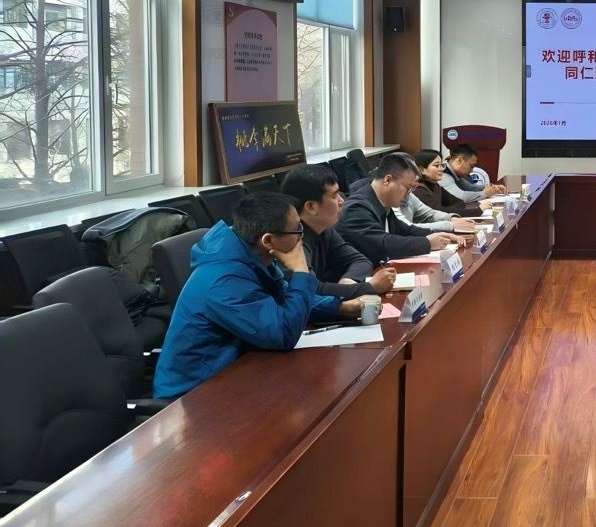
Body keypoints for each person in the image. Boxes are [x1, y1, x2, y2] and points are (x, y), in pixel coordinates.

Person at [153, 193, 356, 400]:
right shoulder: (224, 282)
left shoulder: (248, 255)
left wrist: (339, 307)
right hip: (192, 396)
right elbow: (283, 333)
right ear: (268, 240)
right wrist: (302, 272)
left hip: (238, 372)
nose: (300, 237)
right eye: (297, 230)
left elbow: (283, 297)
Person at [280, 165, 398, 298]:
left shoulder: (323, 230)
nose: (341, 201)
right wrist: (369, 287)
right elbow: (311, 289)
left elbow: (360, 260)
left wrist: (348, 282)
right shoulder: (291, 240)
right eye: (334, 195)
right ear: (311, 206)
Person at [337, 152, 466, 263]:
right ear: (387, 180)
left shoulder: (381, 203)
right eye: (407, 188)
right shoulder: (357, 207)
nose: (408, 195)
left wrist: (438, 235)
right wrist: (428, 243)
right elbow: (384, 244)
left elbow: (406, 230)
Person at [414, 149, 488, 217]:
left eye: (442, 165)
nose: (441, 169)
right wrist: (476, 212)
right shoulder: (419, 190)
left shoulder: (436, 186)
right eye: (436, 165)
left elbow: (459, 202)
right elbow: (436, 213)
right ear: (422, 170)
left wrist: (447, 211)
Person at [439, 143, 506, 203]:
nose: (471, 171)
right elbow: (460, 197)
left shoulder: (452, 172)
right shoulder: (442, 173)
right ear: (459, 160)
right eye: (471, 166)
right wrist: (484, 194)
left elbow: (470, 188)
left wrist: (492, 187)